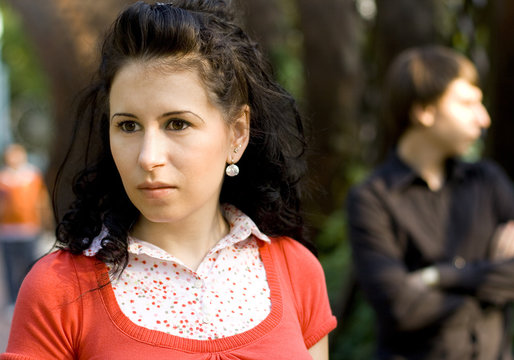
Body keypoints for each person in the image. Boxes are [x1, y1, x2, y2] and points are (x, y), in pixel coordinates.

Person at [1, 1, 336, 359]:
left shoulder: (296, 271)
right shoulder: (58, 290)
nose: (148, 157)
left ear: (237, 134)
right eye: (128, 126)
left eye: (177, 124)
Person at [346, 45, 514, 360]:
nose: (484, 118)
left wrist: (439, 276)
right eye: (467, 103)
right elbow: (401, 308)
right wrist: (495, 275)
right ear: (424, 111)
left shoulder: (487, 180)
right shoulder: (372, 198)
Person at [0, 143, 51, 308]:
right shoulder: (3, 179)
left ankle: (30, 299)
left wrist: (45, 222)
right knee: (10, 268)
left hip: (29, 229)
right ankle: (12, 302)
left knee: (30, 266)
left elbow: (41, 200)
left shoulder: (32, 177)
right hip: (7, 231)